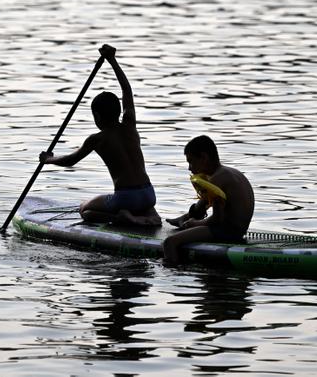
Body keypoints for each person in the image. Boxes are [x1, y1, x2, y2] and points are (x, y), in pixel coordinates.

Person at [39, 44, 161, 227]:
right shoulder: (129, 124)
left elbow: (71, 160)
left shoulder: (97, 139)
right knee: (138, 202)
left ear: (97, 116)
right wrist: (113, 60)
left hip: (125, 197)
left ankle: (126, 218)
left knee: (85, 210)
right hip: (149, 194)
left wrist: (48, 160)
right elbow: (127, 91)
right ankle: (149, 216)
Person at [162, 135, 255, 266]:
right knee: (196, 213)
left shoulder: (217, 179)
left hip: (227, 233)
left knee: (169, 242)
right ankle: (184, 218)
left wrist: (195, 224)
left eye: (191, 162)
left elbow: (217, 219)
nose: (189, 168)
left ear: (204, 158)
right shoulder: (231, 172)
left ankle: (172, 278)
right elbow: (205, 207)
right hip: (238, 231)